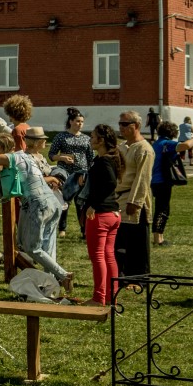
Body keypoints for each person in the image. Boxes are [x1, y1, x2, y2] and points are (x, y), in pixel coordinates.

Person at [8, 126, 72, 293]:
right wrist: (50, 178)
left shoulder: (37, 157)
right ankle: (50, 285)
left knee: (39, 245)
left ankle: (58, 277)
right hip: (44, 202)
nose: (45, 141)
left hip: (43, 203)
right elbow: (33, 178)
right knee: (43, 246)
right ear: (35, 142)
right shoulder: (26, 158)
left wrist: (55, 174)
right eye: (42, 139)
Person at [83, 125, 124, 306]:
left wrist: (94, 205)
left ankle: (99, 298)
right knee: (108, 255)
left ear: (101, 140)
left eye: (92, 137)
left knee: (98, 256)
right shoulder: (107, 159)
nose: (90, 140)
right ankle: (111, 296)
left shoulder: (104, 161)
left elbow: (110, 183)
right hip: (113, 214)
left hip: (101, 215)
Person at [114, 110, 154, 278]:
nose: (121, 128)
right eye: (120, 124)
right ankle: (122, 274)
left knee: (137, 243)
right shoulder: (122, 146)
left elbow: (143, 178)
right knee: (121, 241)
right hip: (118, 199)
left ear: (136, 126)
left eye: (125, 124)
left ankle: (139, 277)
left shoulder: (144, 149)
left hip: (134, 201)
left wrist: (135, 202)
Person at [149, 119, 193, 247]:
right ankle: (158, 238)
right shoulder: (167, 143)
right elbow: (185, 146)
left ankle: (159, 236)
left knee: (161, 208)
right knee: (163, 209)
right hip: (162, 181)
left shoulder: (156, 143)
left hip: (153, 180)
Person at [48, 108, 92, 235]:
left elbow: (90, 158)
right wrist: (62, 157)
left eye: (82, 122)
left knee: (81, 202)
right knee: (64, 201)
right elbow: (51, 154)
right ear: (71, 121)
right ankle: (62, 229)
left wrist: (87, 174)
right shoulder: (61, 136)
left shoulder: (86, 139)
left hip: (81, 173)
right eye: (77, 121)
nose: (80, 124)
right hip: (65, 172)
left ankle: (84, 230)